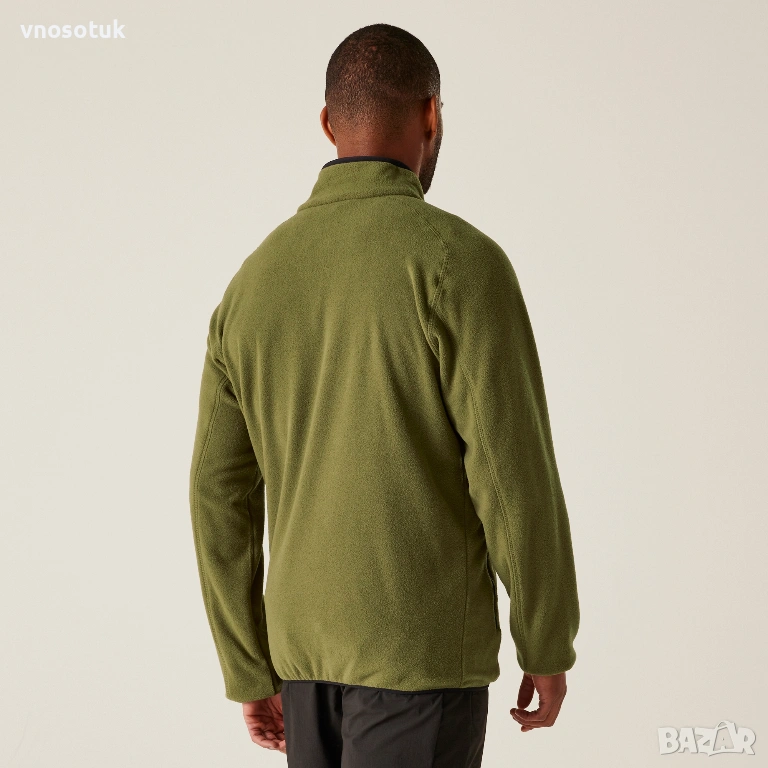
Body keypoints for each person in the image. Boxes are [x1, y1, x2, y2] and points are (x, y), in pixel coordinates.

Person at [189, 22, 580, 767]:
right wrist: (545, 636)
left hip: (301, 663)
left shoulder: (252, 285)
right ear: (431, 114)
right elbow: (510, 475)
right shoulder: (458, 264)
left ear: (328, 123)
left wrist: (248, 666)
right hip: (419, 658)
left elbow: (217, 492)